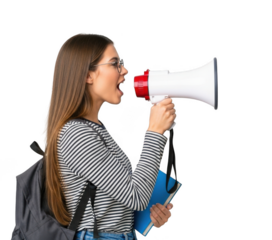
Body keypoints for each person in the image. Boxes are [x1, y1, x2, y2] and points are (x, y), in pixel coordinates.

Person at [41, 33, 176, 240]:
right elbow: (136, 196)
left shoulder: (95, 129)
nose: (125, 71)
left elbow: (121, 197)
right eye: (114, 64)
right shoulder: (76, 134)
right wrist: (155, 131)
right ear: (88, 74)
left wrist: (148, 216)